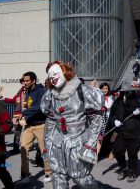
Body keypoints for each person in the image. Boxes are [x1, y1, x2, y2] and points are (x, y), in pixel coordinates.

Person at [40, 61, 104, 189]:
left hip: (78, 140)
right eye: (50, 76)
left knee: (80, 178)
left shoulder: (81, 90)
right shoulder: (50, 94)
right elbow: (51, 120)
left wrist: (90, 144)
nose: (53, 78)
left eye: (55, 74)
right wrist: (47, 145)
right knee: (58, 177)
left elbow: (96, 119)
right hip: (58, 142)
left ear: (65, 72)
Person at [16, 71, 52, 184]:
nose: (25, 83)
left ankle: (49, 172)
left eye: (27, 81)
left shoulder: (42, 91)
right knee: (23, 149)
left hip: (40, 125)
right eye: (24, 81)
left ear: (33, 81)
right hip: (28, 125)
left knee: (44, 150)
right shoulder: (27, 92)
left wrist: (25, 112)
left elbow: (40, 107)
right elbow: (29, 106)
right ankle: (25, 174)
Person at [110, 85, 140, 183]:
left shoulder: (137, 99)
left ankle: (132, 171)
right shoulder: (118, 101)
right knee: (118, 150)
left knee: (132, 152)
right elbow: (112, 114)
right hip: (120, 131)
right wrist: (115, 121)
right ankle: (123, 168)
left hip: (134, 131)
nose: (126, 92)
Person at [4, 77, 26, 154]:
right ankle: (16, 148)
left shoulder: (30, 92)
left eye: (25, 82)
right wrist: (3, 98)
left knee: (29, 130)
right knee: (17, 131)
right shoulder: (20, 92)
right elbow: (13, 100)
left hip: (27, 114)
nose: (23, 83)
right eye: (22, 82)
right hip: (17, 114)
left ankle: (30, 147)